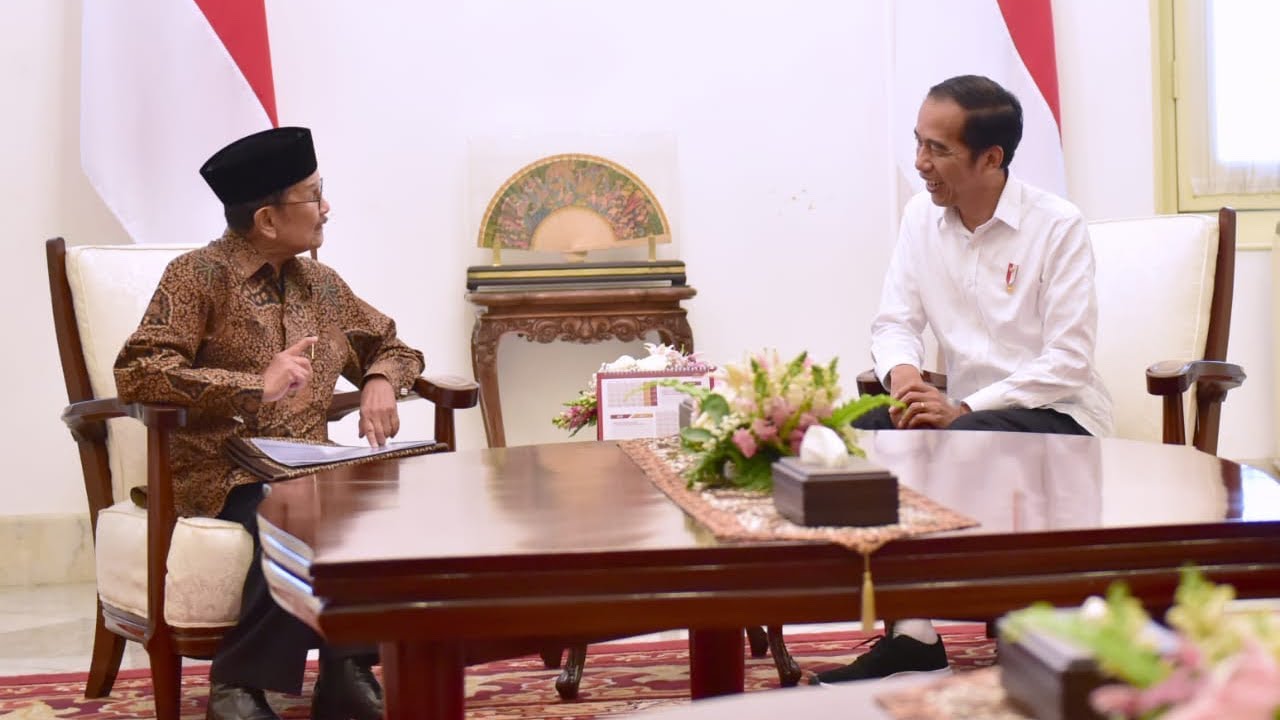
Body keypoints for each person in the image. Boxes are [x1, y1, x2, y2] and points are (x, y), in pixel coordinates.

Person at [812, 75, 1113, 684]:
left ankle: (1023, 616)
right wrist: (903, 379)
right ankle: (913, 632)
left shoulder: (1057, 226)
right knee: (863, 435)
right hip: (962, 413)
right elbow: (895, 321)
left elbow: (1068, 360)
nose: (920, 163)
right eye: (918, 143)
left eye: (937, 150)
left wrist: (964, 405)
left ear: (990, 158)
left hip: (1056, 414)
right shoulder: (921, 217)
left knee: (969, 434)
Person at [114, 127, 422, 720]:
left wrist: (382, 379)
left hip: (307, 461)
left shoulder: (322, 284)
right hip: (219, 468)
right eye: (313, 195)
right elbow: (140, 372)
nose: (326, 206)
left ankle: (346, 671)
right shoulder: (198, 275)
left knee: (373, 505)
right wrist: (255, 382)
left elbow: (394, 346)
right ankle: (237, 687)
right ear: (268, 220)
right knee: (294, 514)